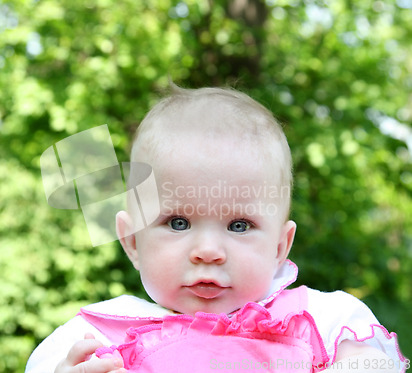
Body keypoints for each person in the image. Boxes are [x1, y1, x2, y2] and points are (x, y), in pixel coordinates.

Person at [26, 86, 408, 373]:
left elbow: (373, 364)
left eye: (239, 225)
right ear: (132, 241)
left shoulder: (323, 320)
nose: (208, 251)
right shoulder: (96, 337)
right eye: (178, 223)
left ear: (280, 246)